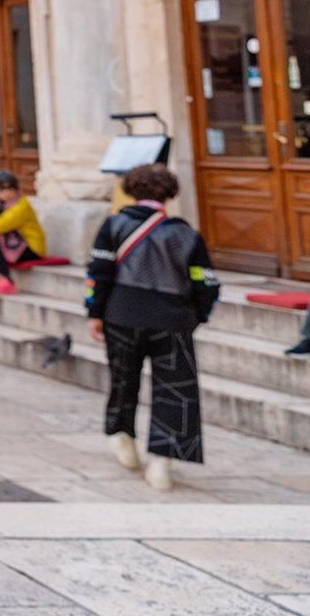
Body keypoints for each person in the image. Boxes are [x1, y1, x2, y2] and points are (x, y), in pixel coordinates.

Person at [86, 163, 219, 490]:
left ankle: (122, 437)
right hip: (172, 319)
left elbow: (98, 273)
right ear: (169, 194)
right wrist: (196, 317)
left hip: (122, 315)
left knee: (123, 378)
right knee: (175, 389)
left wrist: (94, 312)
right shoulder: (185, 232)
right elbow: (207, 282)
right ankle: (162, 463)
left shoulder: (114, 225)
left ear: (132, 191)